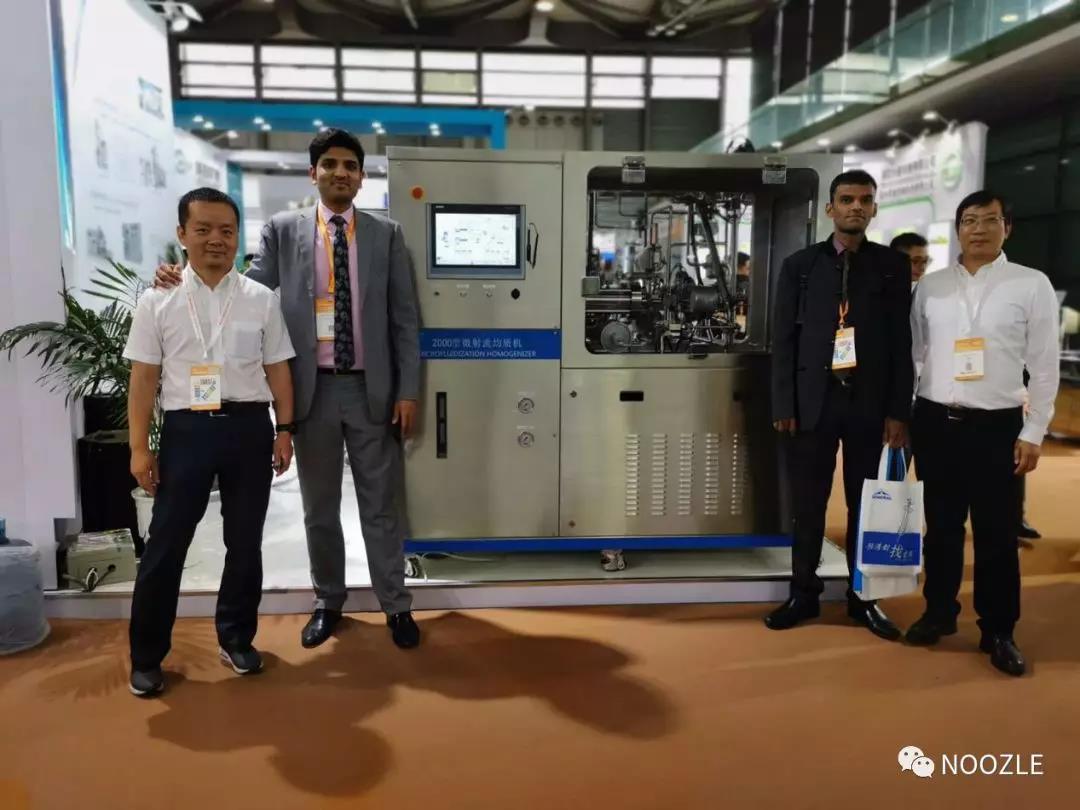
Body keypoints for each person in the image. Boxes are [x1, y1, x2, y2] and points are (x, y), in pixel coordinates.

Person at [156, 129, 421, 651]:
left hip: (372, 391)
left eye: (350, 165)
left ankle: (396, 604)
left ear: (361, 178)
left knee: (381, 506)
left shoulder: (386, 234)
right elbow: (246, 287)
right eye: (330, 164)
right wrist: (182, 275)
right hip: (310, 392)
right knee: (319, 508)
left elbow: (405, 319)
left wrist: (407, 390)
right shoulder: (284, 229)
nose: (340, 172)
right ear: (313, 173)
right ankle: (328, 601)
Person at [124, 188, 296, 697]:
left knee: (244, 542)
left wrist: (285, 430)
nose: (216, 239)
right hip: (187, 432)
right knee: (166, 544)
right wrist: (139, 447)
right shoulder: (158, 300)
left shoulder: (261, 299)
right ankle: (146, 655)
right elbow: (143, 379)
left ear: (238, 237)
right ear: (182, 234)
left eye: (226, 230)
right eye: (203, 230)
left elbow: (278, 369)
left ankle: (236, 638)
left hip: (249, 428)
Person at [907, 190, 1060, 676]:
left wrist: (1034, 430)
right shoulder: (930, 287)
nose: (978, 229)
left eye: (989, 220)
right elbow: (915, 354)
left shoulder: (1030, 284)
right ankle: (939, 612)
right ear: (957, 229)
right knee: (941, 528)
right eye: (969, 220)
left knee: (996, 533)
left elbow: (1045, 364)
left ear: (1006, 228)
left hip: (997, 426)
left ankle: (998, 630)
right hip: (936, 422)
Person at [766, 169, 912, 639]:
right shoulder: (800, 266)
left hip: (870, 404)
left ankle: (862, 598)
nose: (856, 207)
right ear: (830, 209)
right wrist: (784, 404)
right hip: (813, 402)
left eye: (865, 200)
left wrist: (898, 411)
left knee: (865, 504)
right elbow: (783, 340)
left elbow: (901, 343)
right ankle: (802, 593)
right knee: (808, 504)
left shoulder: (891, 266)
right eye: (847, 199)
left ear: (874, 209)